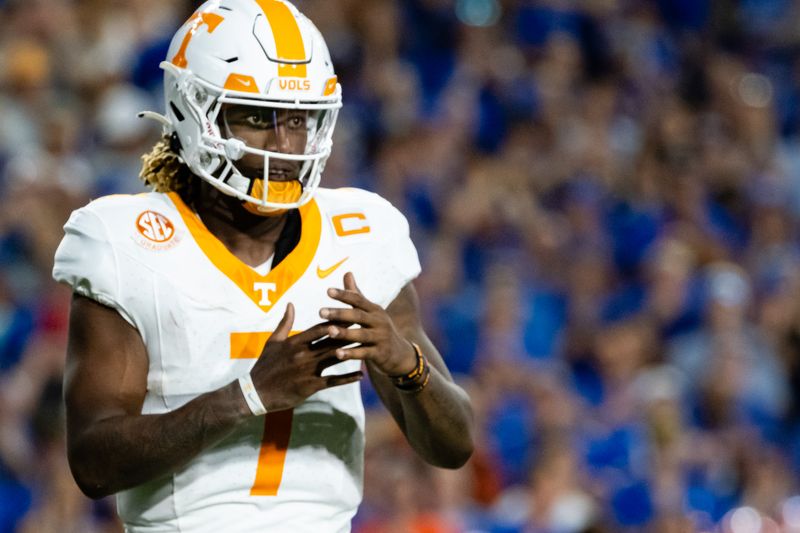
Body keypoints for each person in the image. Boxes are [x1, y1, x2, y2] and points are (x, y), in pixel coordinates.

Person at [51, 1, 474, 531]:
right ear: (193, 109)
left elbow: (455, 447)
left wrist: (404, 363)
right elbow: (93, 462)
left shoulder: (362, 234)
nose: (285, 145)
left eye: (299, 119)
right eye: (256, 117)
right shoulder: (127, 240)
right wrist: (246, 396)